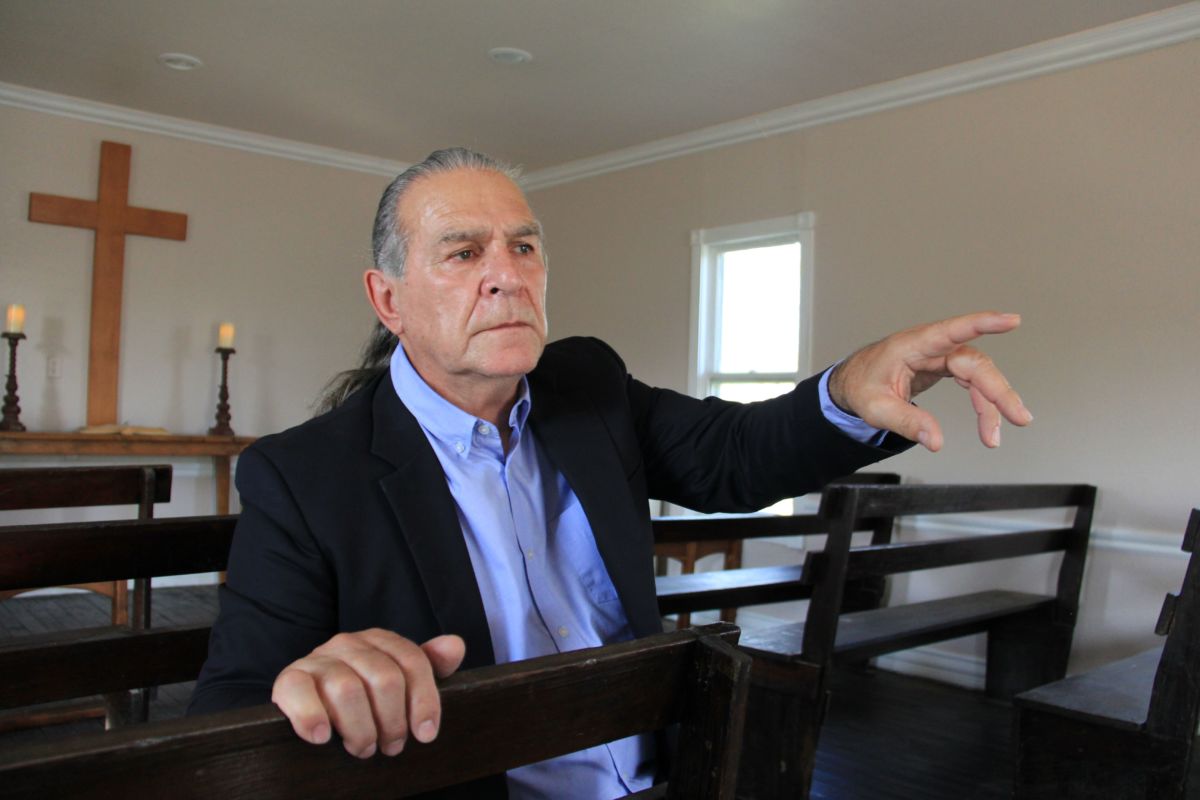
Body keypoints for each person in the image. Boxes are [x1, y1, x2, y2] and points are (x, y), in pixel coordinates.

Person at [190, 148, 1032, 798]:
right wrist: (313, 680)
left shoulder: (588, 387)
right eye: (462, 252)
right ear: (388, 299)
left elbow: (736, 456)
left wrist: (851, 386)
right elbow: (228, 714)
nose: (506, 274)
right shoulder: (302, 475)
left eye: (524, 247)